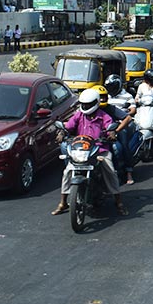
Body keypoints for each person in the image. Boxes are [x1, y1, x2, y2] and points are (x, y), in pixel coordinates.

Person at [52, 88, 127, 217]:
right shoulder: (79, 115)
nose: (86, 107)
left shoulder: (104, 116)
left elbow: (110, 127)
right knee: (67, 172)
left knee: (110, 170)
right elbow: (68, 126)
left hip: (99, 150)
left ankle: (118, 202)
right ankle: (63, 202)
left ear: (96, 103)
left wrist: (112, 133)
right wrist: (62, 132)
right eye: (84, 104)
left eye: (88, 104)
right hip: (81, 150)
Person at [96, 84, 137, 186]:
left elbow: (128, 118)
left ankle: (128, 171)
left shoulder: (110, 108)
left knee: (120, 146)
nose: (102, 99)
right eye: (100, 97)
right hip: (97, 135)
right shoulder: (84, 110)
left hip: (113, 131)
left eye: (104, 97)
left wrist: (117, 130)